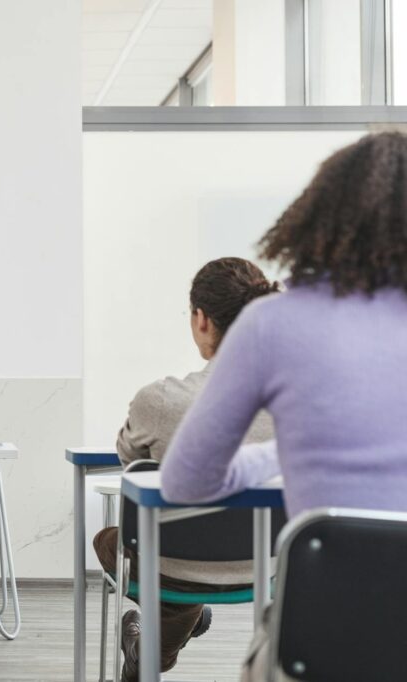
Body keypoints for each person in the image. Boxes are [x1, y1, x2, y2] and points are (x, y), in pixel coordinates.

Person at [157, 132, 407, 681]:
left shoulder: (273, 323)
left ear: (319, 216)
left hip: (321, 639)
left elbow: (185, 483)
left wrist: (277, 455)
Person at [95, 257, 278, 681]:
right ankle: (157, 643)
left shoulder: (160, 400)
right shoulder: (296, 402)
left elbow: (131, 462)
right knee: (169, 549)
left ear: (200, 320)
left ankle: (151, 651)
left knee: (114, 542)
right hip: (270, 565)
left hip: (175, 563)